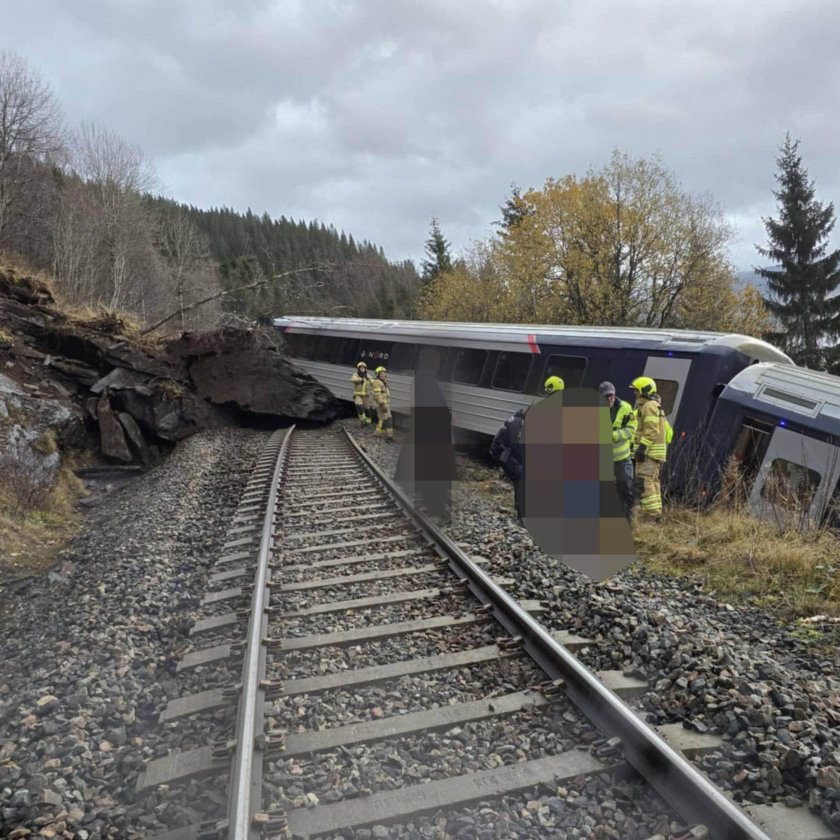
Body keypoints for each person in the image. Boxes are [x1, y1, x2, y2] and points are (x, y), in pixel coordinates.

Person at [630, 376, 668, 520]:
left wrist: (642, 448)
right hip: (654, 454)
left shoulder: (649, 406)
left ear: (643, 391)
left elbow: (651, 430)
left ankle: (651, 515)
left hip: (649, 453)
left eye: (636, 391)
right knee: (653, 481)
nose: (635, 394)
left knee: (645, 481)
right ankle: (656, 513)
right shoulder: (652, 405)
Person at [598, 381, 637, 520]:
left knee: (625, 488)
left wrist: (613, 436)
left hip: (622, 458)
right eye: (606, 396)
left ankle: (627, 520)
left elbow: (631, 430)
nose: (610, 398)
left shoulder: (625, 408)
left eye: (612, 395)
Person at [370, 366, 395, 441]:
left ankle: (377, 433)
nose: (383, 374)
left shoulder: (384, 382)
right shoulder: (377, 382)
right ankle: (389, 436)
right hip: (380, 405)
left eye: (384, 373)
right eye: (381, 373)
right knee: (387, 419)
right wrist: (382, 404)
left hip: (385, 404)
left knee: (385, 419)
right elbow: (378, 395)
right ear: (377, 374)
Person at [351, 361, 372, 425]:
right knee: (359, 406)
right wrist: (361, 379)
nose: (362, 369)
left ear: (365, 369)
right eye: (361, 367)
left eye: (364, 368)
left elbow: (372, 381)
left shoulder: (368, 375)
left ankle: (368, 422)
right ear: (358, 368)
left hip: (366, 395)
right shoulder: (356, 374)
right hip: (358, 394)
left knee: (367, 409)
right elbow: (353, 379)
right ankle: (362, 419)